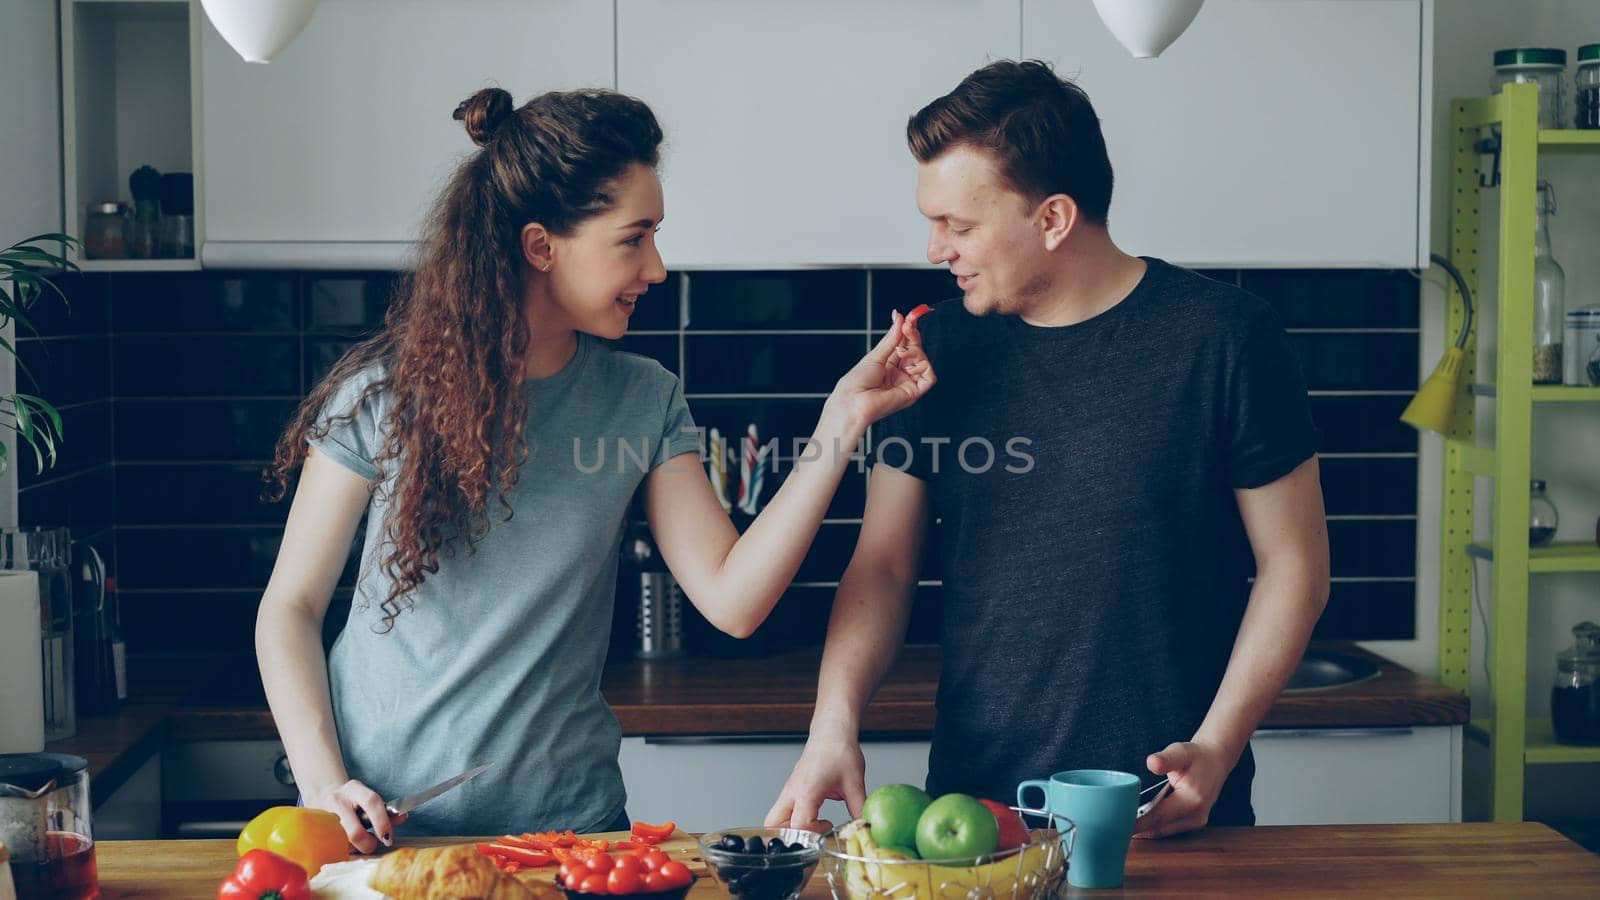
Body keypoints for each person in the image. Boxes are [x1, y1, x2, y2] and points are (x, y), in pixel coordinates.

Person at [255, 86, 935, 851]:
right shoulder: (382, 397)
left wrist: (838, 424)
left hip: (575, 835)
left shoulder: (641, 399)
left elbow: (734, 599)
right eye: (633, 238)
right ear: (543, 247)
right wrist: (322, 785)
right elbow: (291, 608)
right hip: (382, 828)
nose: (657, 267)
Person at [767, 60, 1330, 839]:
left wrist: (1219, 744)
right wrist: (833, 722)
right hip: (971, 819)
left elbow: (1294, 565)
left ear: (1054, 218)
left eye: (959, 227)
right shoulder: (935, 351)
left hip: (1168, 812)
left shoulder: (1225, 339)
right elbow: (884, 566)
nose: (936, 250)